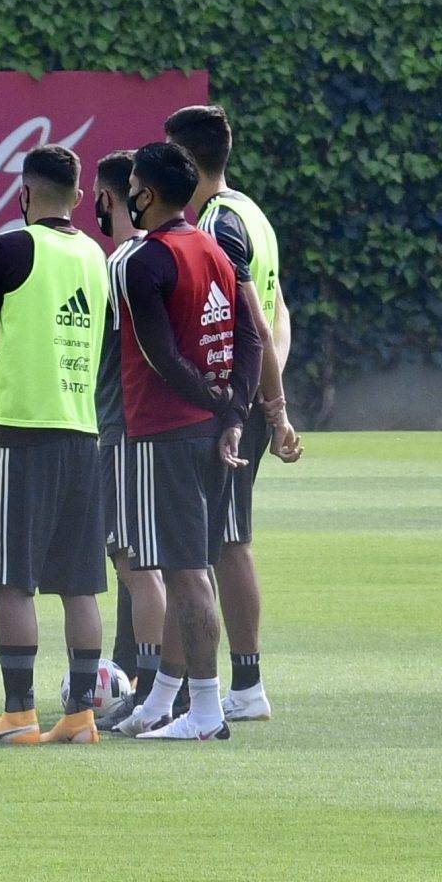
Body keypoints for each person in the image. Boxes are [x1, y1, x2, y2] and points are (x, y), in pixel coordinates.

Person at [0, 145, 113, 746]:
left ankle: (19, 712)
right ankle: (81, 713)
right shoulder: (97, 254)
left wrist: (1, 341)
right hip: (82, 429)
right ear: (76, 196)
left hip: (24, 431)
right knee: (79, 582)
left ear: (24, 194)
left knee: (12, 579)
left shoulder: (12, 246)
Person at [107, 141, 262, 742]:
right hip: (210, 432)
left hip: (163, 431)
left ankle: (204, 710)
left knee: (186, 572)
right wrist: (232, 412)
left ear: (144, 191)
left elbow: (159, 356)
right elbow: (248, 337)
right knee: (185, 569)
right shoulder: (212, 247)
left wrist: (216, 403)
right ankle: (164, 700)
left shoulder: (139, 259)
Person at [166, 102, 300, 723]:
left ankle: (241, 688)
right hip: (249, 400)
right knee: (229, 539)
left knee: (224, 544)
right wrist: (275, 396)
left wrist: (269, 409)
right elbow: (279, 314)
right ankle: (243, 685)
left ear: (188, 163)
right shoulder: (252, 213)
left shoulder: (219, 226)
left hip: (230, 409)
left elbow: (248, 317)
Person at [88, 150, 166, 727]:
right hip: (161, 429)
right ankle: (151, 680)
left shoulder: (119, 267)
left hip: (123, 429)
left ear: (109, 198)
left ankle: (156, 688)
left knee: (135, 561)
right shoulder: (159, 259)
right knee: (156, 560)